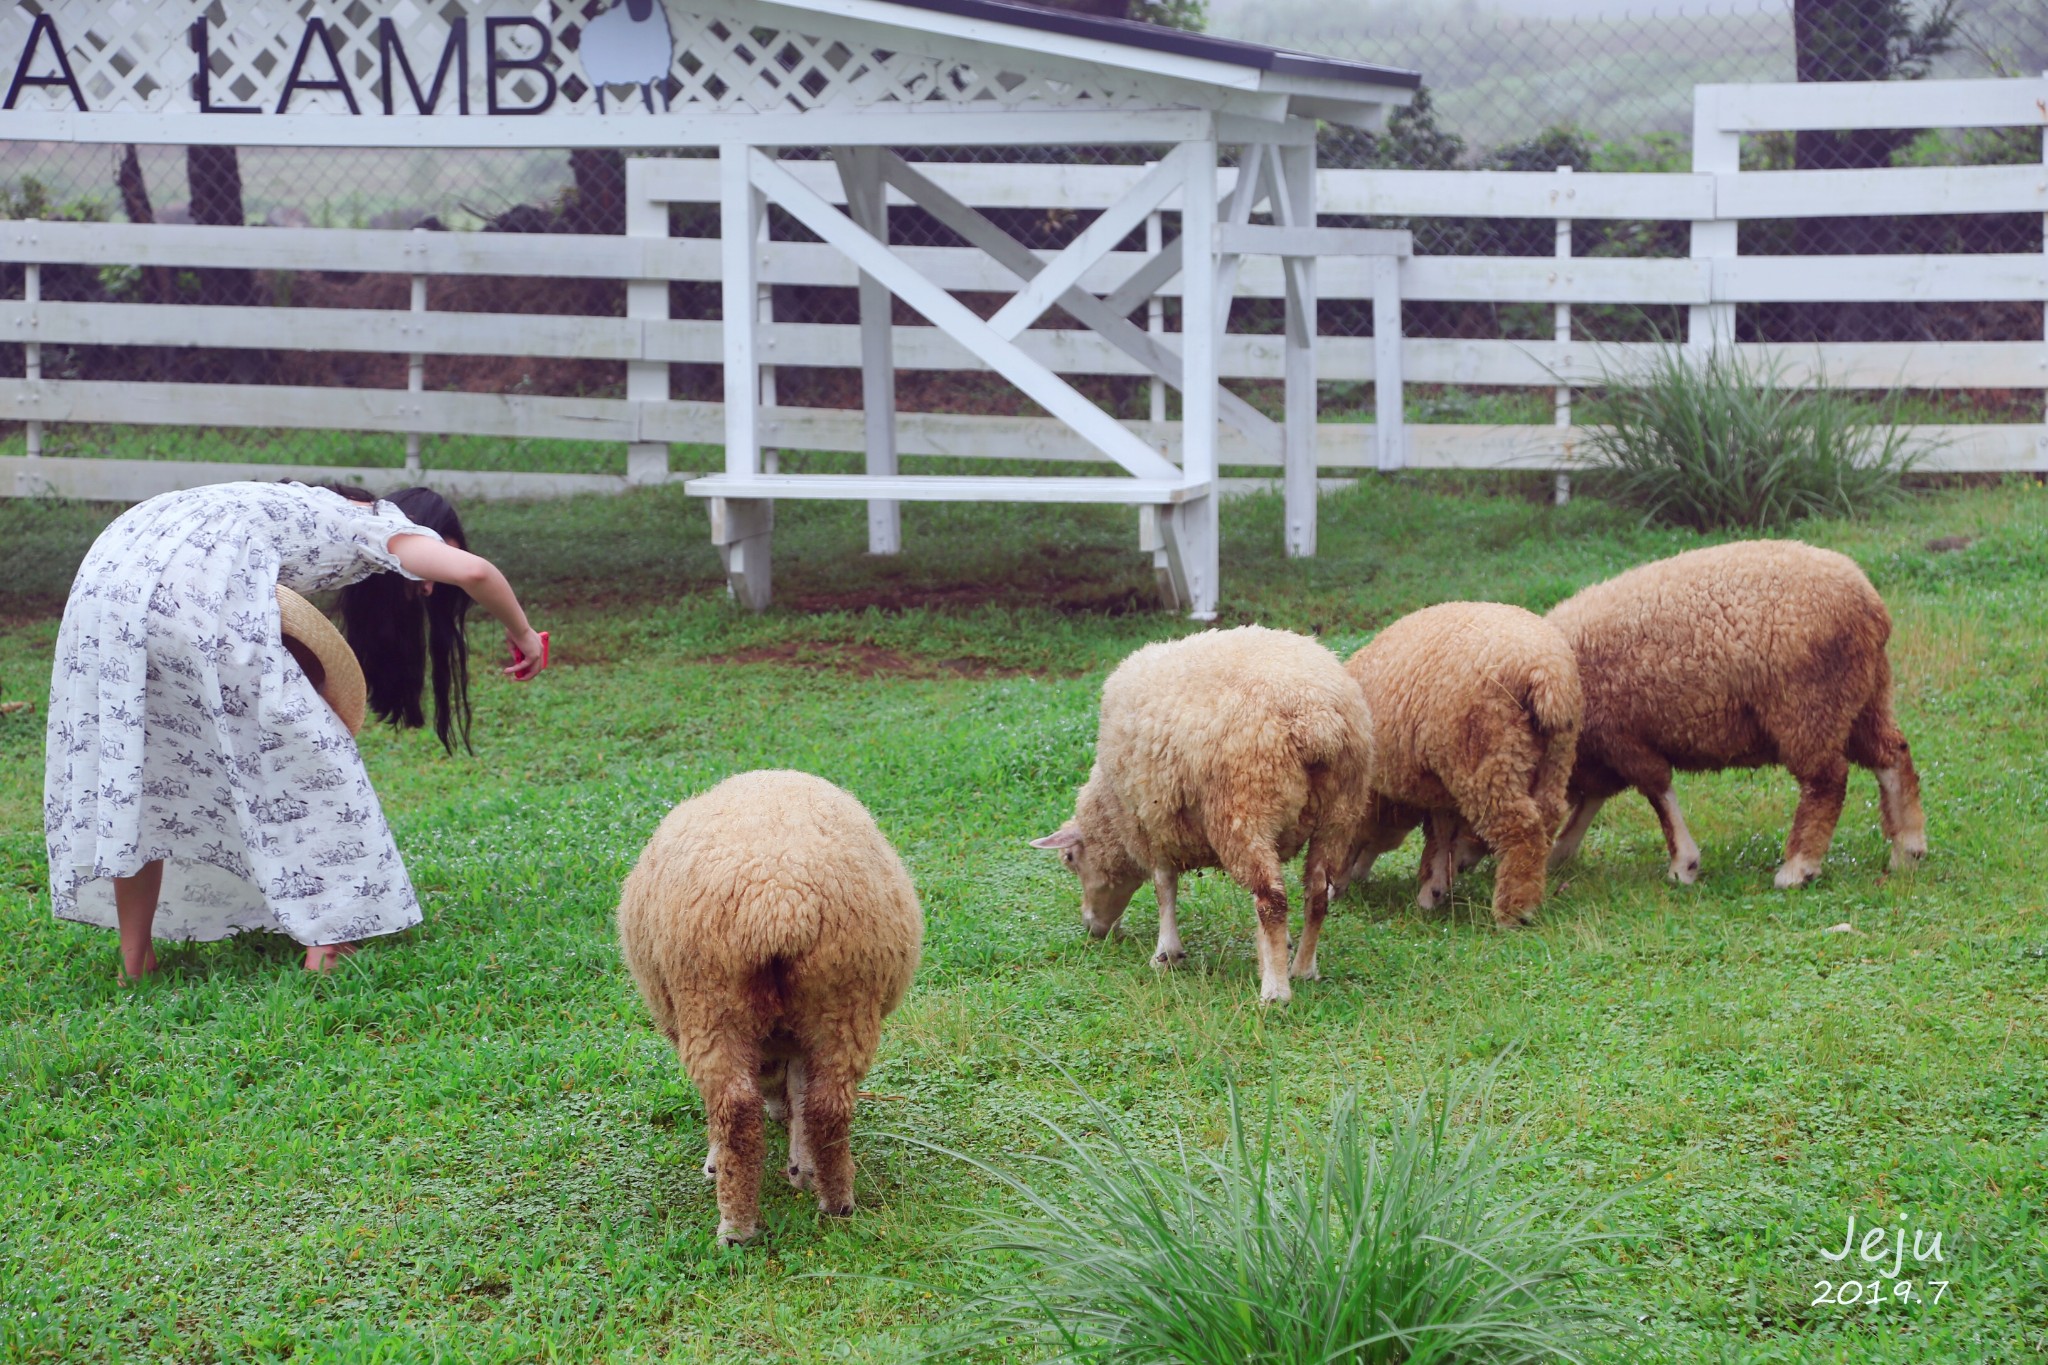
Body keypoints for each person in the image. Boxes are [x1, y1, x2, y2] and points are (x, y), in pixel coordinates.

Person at [42, 480, 546, 980]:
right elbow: (476, 572)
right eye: (440, 553)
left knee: (141, 765)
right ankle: (327, 943)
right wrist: (524, 635)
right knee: (316, 763)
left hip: (107, 580)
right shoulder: (377, 523)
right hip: (189, 588)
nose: (433, 584)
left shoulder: (285, 500)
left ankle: (136, 961)